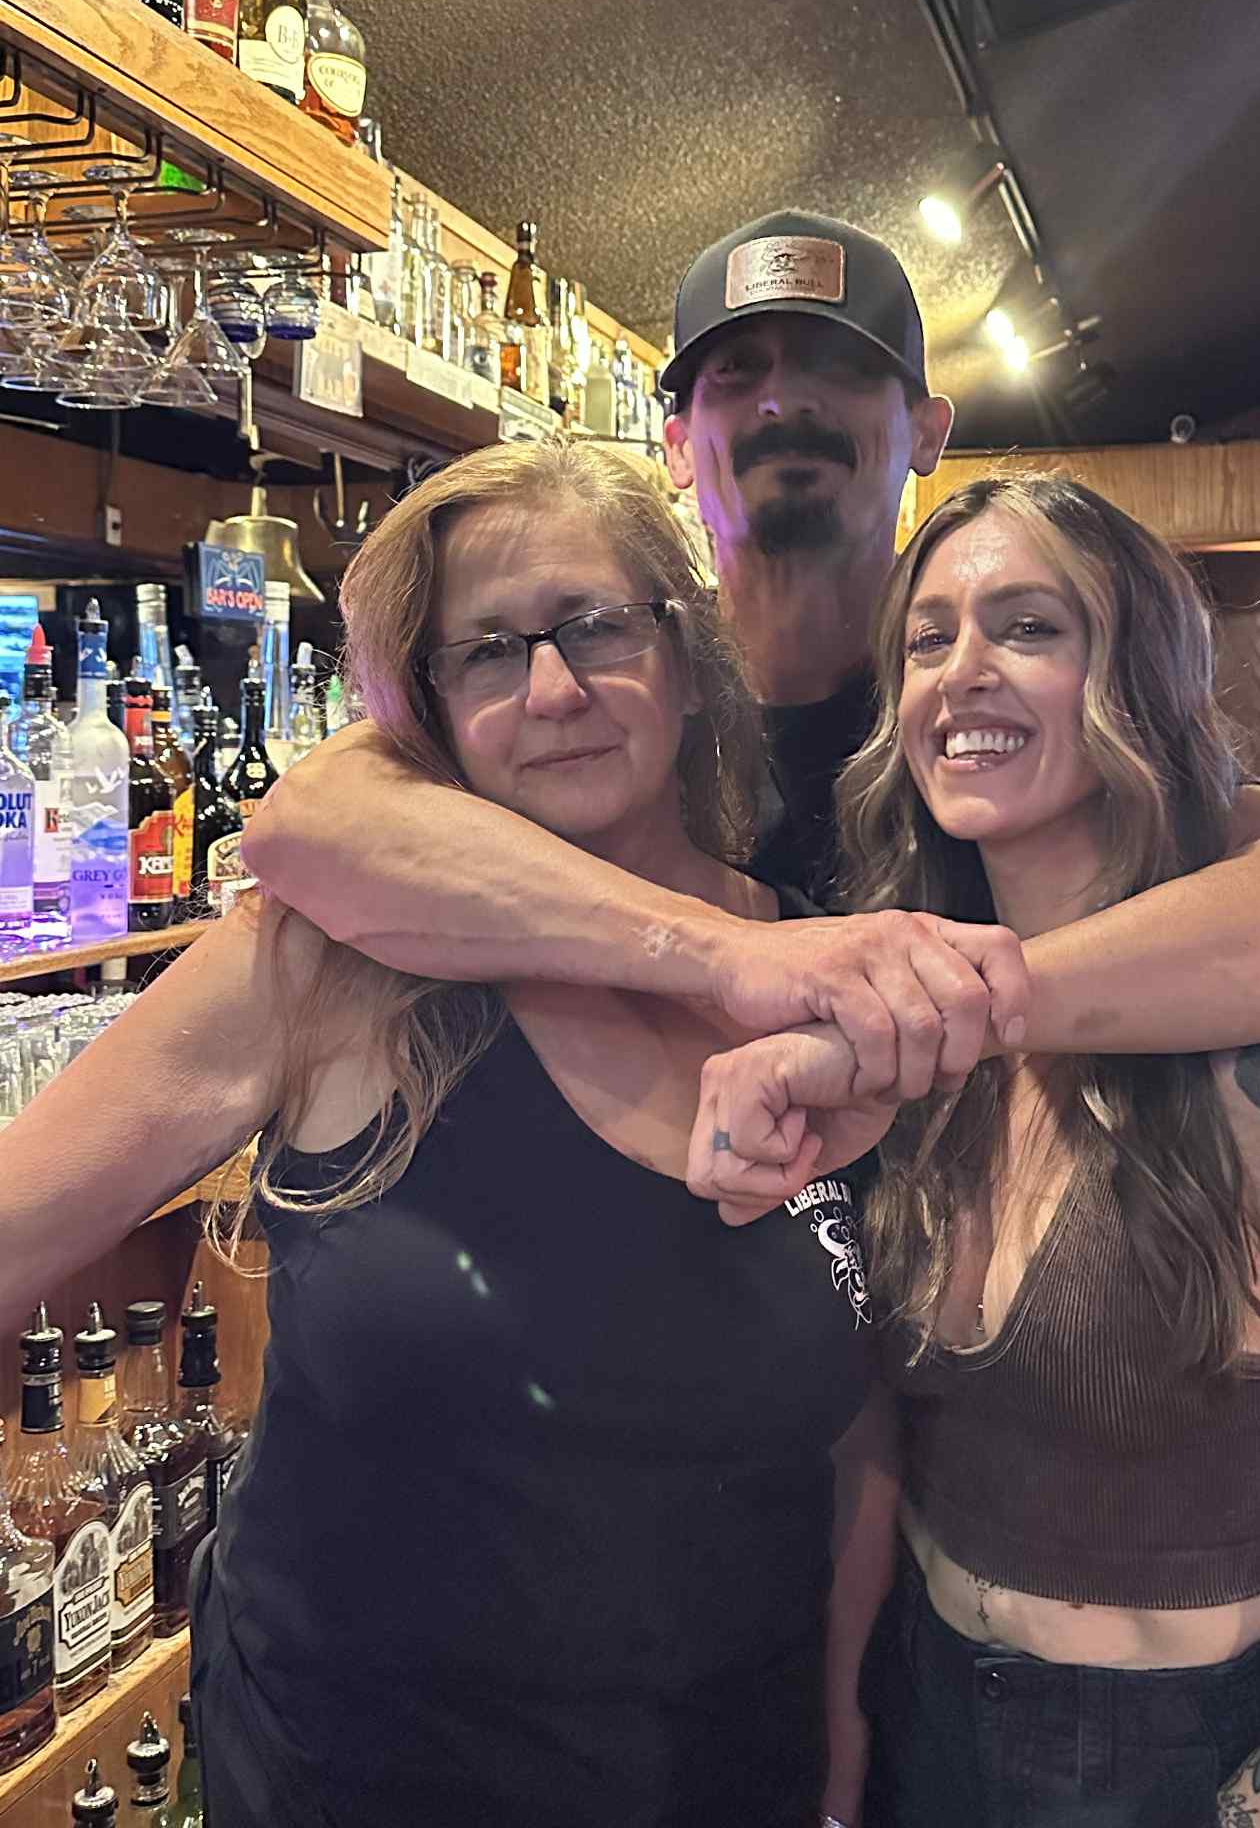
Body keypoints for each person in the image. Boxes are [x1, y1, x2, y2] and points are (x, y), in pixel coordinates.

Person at [1, 440, 1018, 1827]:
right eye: (486, 652)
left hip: (727, 1777)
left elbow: (854, 1430)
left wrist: (843, 1729)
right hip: (343, 1786)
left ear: (686, 653)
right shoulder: (319, 964)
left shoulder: (826, 978)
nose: (551, 689)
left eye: (595, 626)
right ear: (429, 708)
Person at [689, 473, 1260, 1828]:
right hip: (920, 1715)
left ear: (1132, 681)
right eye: (928, 638)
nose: (962, 670)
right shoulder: (921, 1034)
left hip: (1180, 1752)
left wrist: (1258, 1814)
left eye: (1029, 626)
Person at [244, 212, 1260, 1083]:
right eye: (737, 373)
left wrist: (947, 1016)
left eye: (841, 365)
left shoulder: (988, 718)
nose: (784, 399)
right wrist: (727, 956)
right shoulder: (611, 700)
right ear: (676, 442)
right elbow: (308, 821)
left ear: (927, 430)